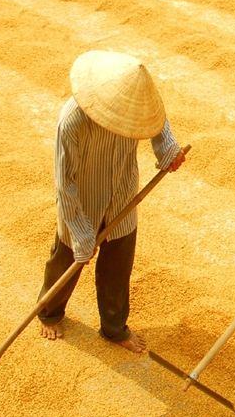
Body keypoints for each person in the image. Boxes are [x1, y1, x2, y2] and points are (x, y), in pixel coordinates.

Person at [37, 51, 186, 352]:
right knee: (65, 260)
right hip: (82, 202)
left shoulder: (136, 108)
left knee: (118, 267)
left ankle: (114, 328)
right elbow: (64, 184)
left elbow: (157, 121)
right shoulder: (73, 121)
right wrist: (81, 234)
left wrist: (168, 150)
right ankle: (49, 312)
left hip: (122, 196)